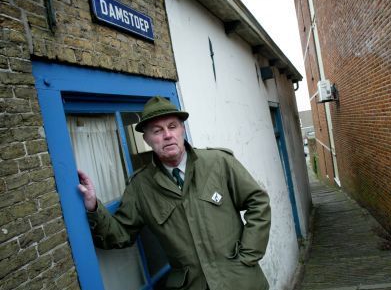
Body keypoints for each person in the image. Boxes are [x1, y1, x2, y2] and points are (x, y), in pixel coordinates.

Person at [78, 96, 271, 290]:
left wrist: (248, 255)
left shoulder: (219, 162)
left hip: (243, 282)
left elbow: (258, 201)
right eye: (157, 131)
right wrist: (94, 206)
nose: (167, 135)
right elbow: (120, 234)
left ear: (182, 130)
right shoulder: (140, 187)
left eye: (172, 126)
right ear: (146, 139)